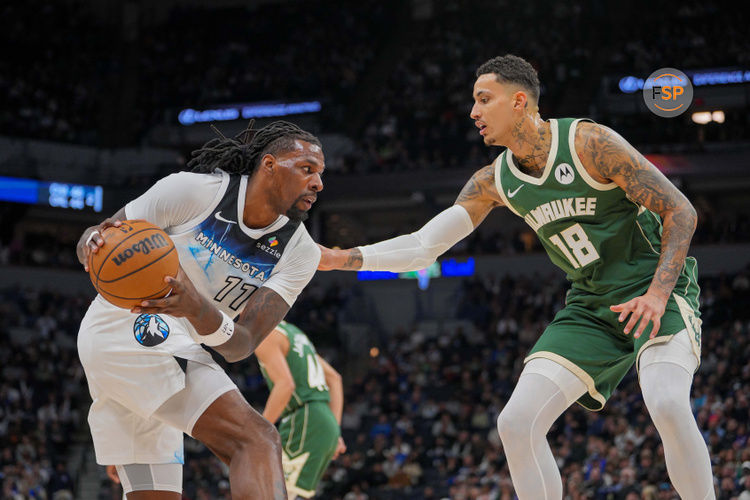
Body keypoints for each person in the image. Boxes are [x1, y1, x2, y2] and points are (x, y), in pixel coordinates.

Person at [317, 55, 714, 499]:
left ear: (520, 101)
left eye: (484, 100)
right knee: (516, 422)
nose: (473, 112)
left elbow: (680, 209)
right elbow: (424, 246)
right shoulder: (494, 181)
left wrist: (659, 294)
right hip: (589, 307)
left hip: (653, 291)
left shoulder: (589, 143)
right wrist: (342, 258)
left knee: (666, 402)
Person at [76, 121, 325, 499]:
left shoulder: (300, 253)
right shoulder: (193, 191)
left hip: (165, 351)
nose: (318, 183)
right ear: (269, 165)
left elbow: (240, 345)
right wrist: (89, 242)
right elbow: (102, 236)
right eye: (307, 169)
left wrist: (196, 309)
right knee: (257, 440)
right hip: (125, 328)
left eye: (321, 174)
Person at [255, 321, 346, 499]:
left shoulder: (267, 334)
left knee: (270, 493)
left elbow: (285, 385)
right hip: (322, 419)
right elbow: (335, 378)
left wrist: (258, 430)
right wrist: (336, 433)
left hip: (305, 419)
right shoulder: (295, 333)